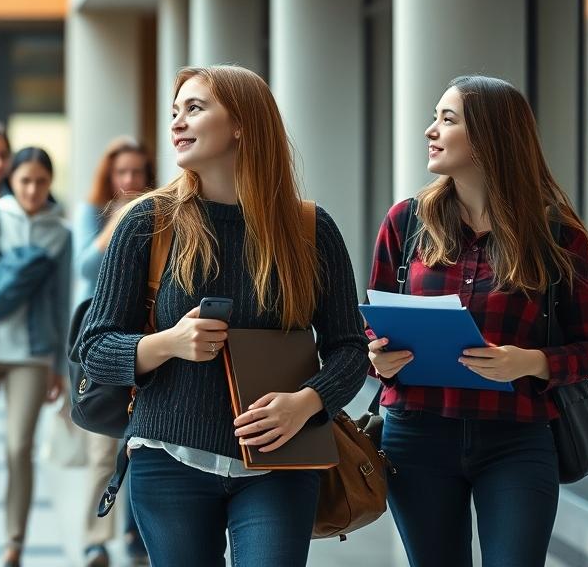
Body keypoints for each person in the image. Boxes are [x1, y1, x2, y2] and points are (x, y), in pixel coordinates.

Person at [75, 65, 368, 566]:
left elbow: (349, 347)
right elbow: (95, 348)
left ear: (241, 124)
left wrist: (305, 403)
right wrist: (168, 342)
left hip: (283, 463)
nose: (177, 124)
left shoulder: (310, 229)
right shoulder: (147, 222)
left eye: (194, 108)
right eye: (174, 113)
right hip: (167, 460)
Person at [366, 75, 588, 567]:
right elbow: (368, 332)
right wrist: (378, 357)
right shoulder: (406, 222)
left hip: (517, 440)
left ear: (489, 136)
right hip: (416, 436)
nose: (430, 130)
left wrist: (531, 361)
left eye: (447, 119)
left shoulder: (557, 235)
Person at [0, 146, 72, 567]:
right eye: (25, 180)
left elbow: (61, 304)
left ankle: (13, 546)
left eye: (41, 181)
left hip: (32, 355)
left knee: (20, 449)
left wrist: (60, 366)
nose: (33, 189)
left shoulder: (60, 233)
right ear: (12, 181)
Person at [73, 137, 154, 567]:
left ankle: (136, 533)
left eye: (138, 172)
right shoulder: (93, 212)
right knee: (104, 447)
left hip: (148, 340)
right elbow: (85, 267)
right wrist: (117, 222)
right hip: (104, 340)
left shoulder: (161, 211)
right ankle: (96, 538)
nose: (130, 180)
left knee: (142, 441)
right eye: (121, 172)